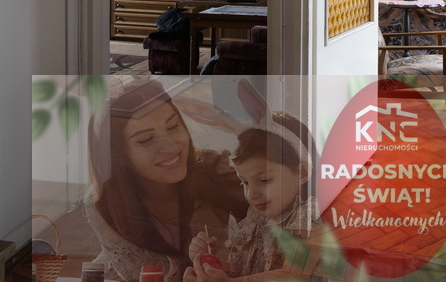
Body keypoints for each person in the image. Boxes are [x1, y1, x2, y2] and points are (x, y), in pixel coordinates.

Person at [87, 77, 249, 282]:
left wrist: (224, 259)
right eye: (146, 139)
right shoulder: (104, 202)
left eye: (173, 126)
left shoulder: (213, 169)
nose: (171, 147)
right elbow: (145, 275)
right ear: (117, 154)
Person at [184, 111, 324, 282]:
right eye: (244, 182)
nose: (251, 194)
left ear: (302, 173)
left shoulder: (311, 216)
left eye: (264, 180)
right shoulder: (256, 219)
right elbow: (244, 271)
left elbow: (292, 274)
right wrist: (209, 264)